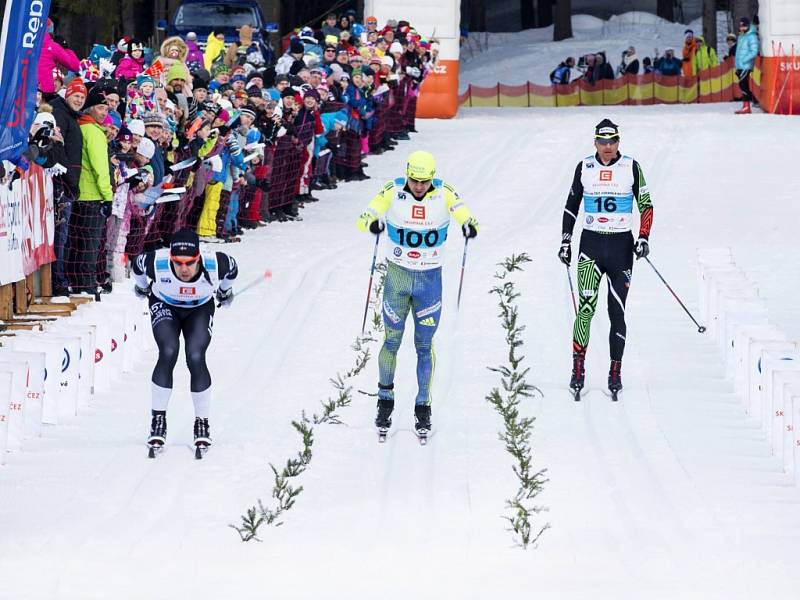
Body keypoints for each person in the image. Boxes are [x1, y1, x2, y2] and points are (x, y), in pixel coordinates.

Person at [356, 151, 478, 439]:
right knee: (392, 341)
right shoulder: (392, 189)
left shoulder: (444, 192)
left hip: (429, 280)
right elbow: (365, 216)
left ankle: (423, 406)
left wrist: (469, 225)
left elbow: (466, 214)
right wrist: (371, 223)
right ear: (407, 173)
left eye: (425, 181)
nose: (419, 186)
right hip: (398, 277)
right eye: (414, 180)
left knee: (424, 345)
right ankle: (385, 400)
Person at [558, 119, 654, 400]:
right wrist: (566, 240)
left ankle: (615, 371)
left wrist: (643, 236)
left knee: (617, 313)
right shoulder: (585, 167)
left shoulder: (631, 167)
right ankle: (578, 369)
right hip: (590, 247)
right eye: (602, 141)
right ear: (595, 143)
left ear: (619, 142)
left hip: (621, 248)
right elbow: (571, 206)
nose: (608, 147)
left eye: (612, 142)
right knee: (585, 311)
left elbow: (646, 204)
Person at [132, 228, 238, 454]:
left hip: (199, 308)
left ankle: (202, 422)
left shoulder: (216, 263)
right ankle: (158, 420)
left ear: (199, 258)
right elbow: (137, 265)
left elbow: (233, 270)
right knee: (168, 351)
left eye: (190, 263)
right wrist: (141, 287)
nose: (184, 269)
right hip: (165, 304)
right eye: (178, 262)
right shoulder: (156, 262)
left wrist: (224, 291)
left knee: (195, 356)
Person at [735, 17, 759, 114]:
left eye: (744, 26)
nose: (742, 28)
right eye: (741, 26)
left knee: (743, 84)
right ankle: (750, 103)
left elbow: (754, 51)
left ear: (748, 26)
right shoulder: (741, 36)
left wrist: (744, 60)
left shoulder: (751, 36)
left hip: (746, 65)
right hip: (740, 65)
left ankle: (748, 106)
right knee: (743, 85)